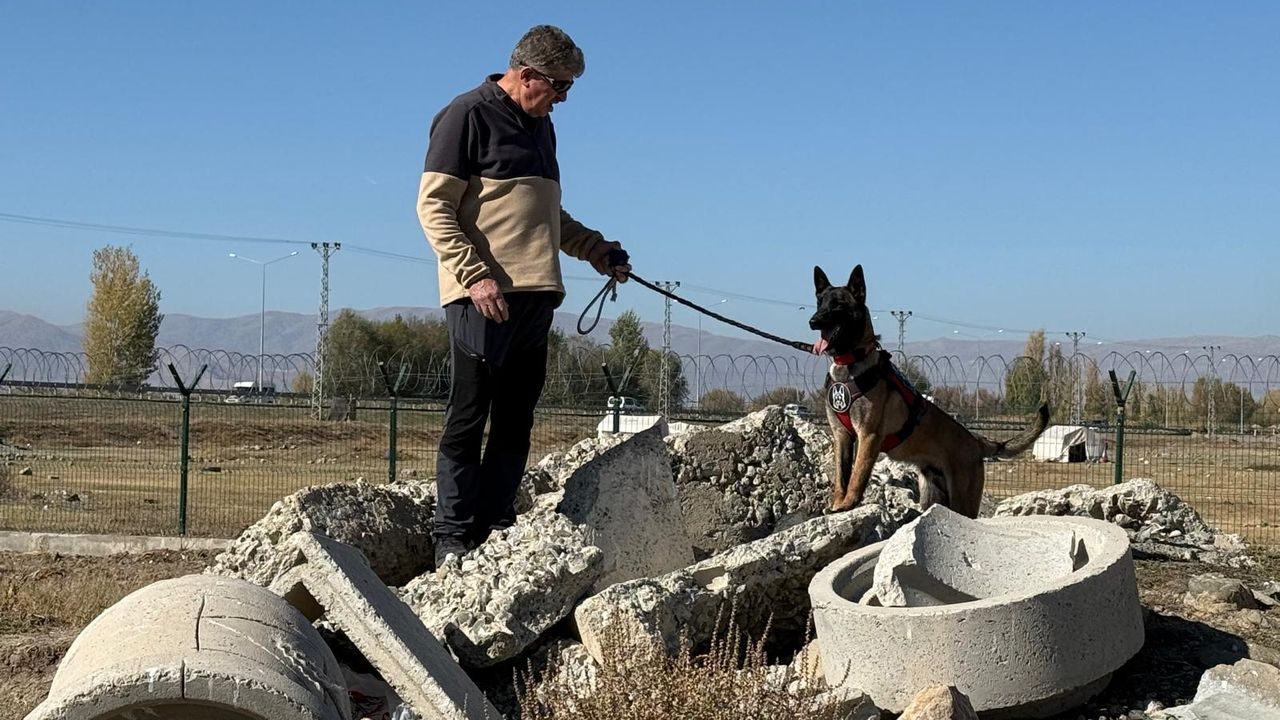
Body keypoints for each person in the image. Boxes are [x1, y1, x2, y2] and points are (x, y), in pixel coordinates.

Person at [416, 25, 629, 567]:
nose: (562, 99)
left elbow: (547, 218)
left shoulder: (543, 128)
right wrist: (473, 275)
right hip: (482, 297)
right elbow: (434, 208)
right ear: (525, 73)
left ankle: (494, 526)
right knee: (469, 415)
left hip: (537, 299)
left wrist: (595, 248)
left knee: (516, 420)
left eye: (569, 89)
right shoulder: (466, 114)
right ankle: (452, 536)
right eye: (558, 86)